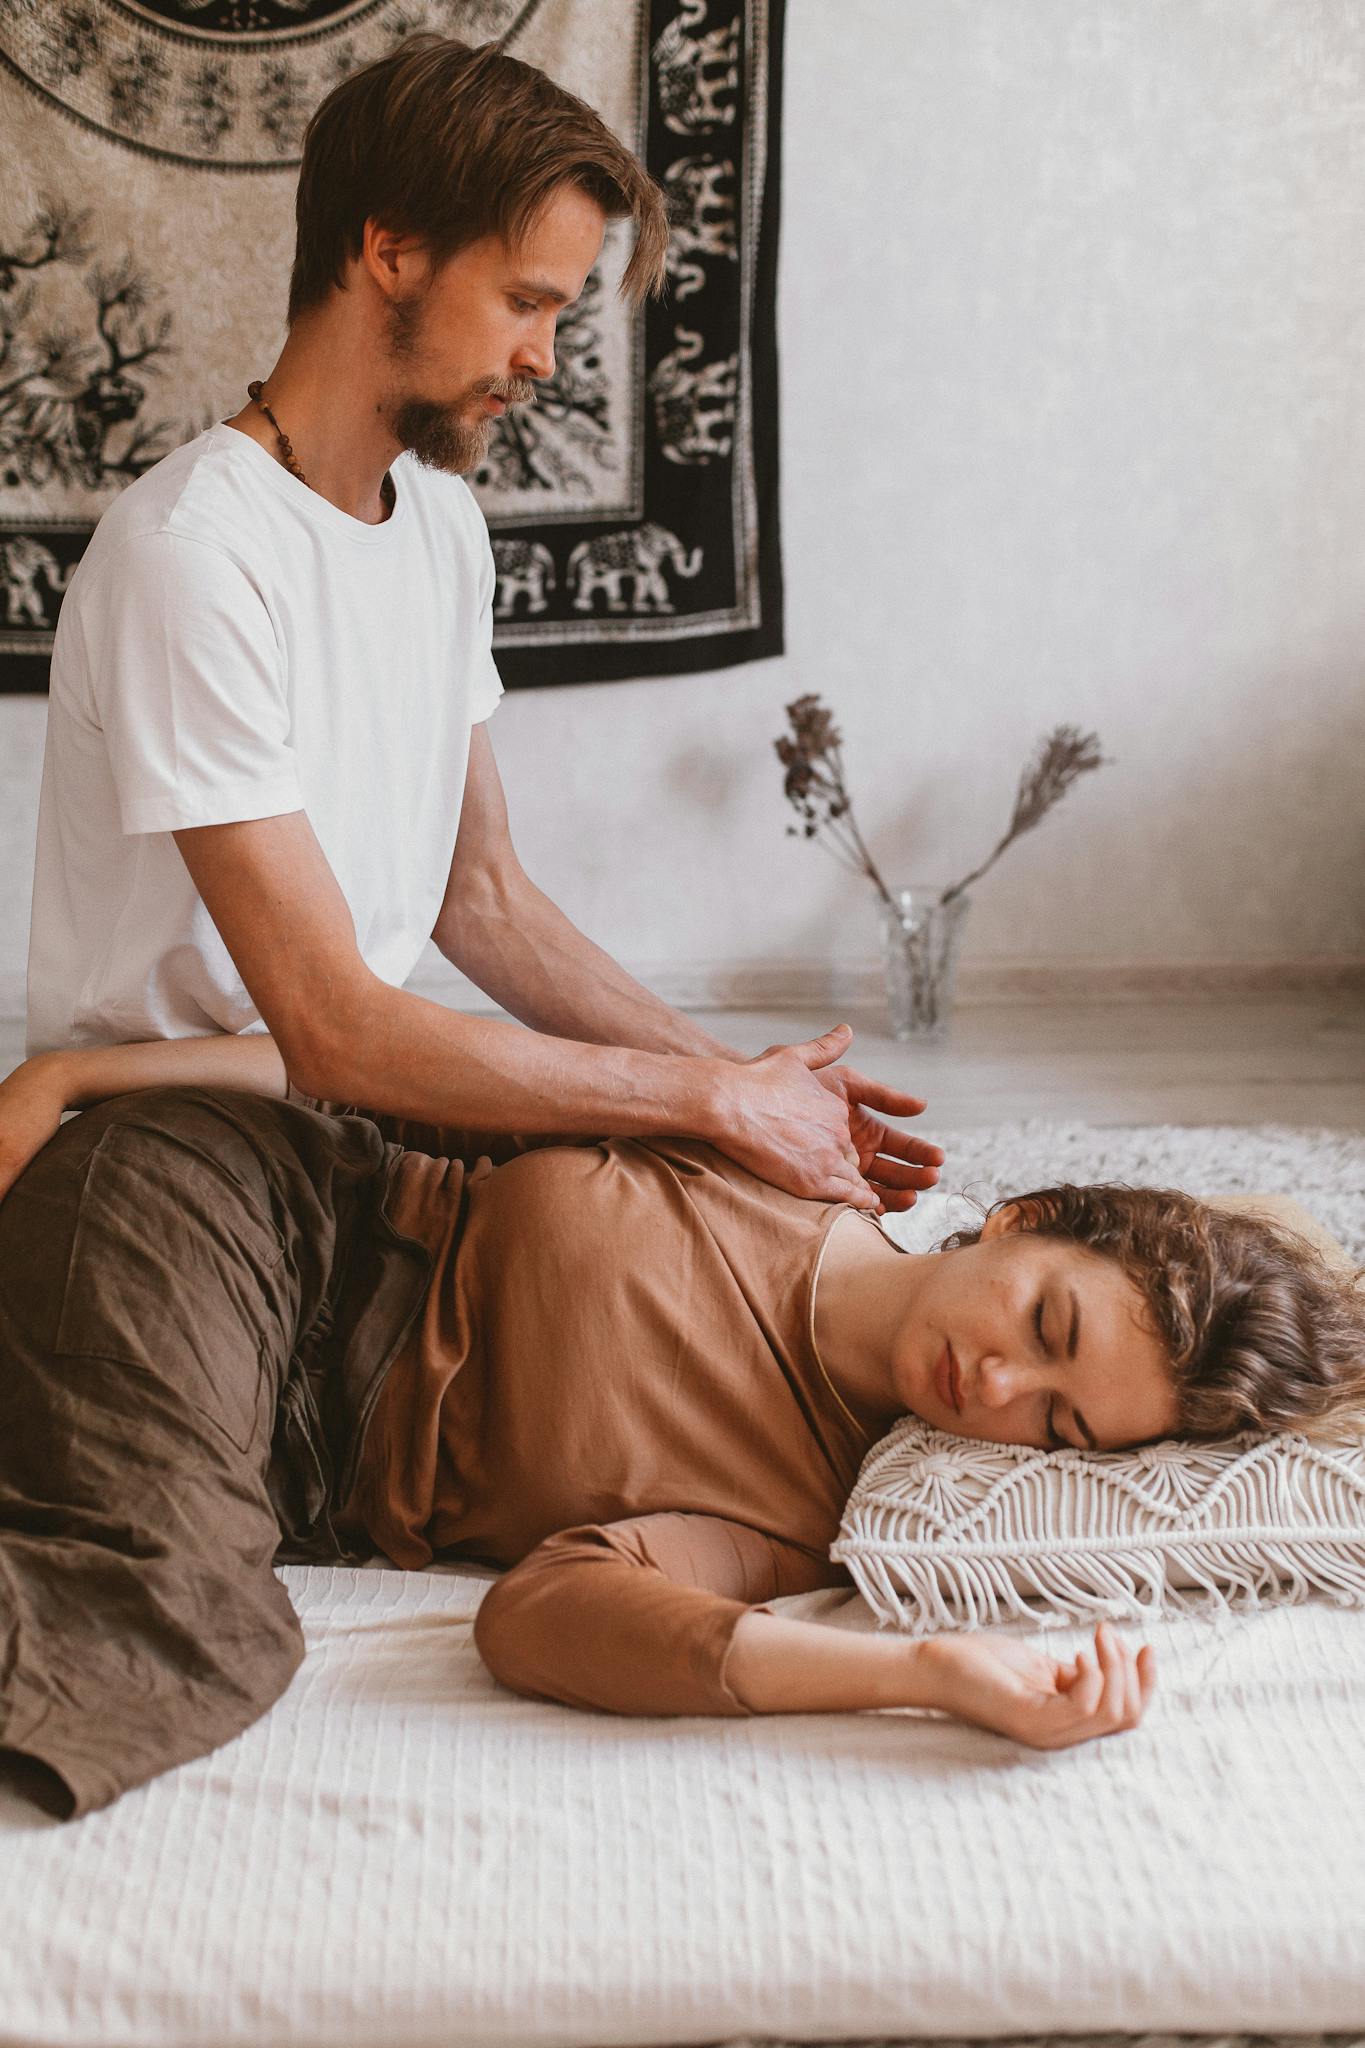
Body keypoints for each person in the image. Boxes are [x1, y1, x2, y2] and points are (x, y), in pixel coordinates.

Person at [24, 33, 940, 1221]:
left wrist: (738, 1082)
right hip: (178, 1140)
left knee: (729, 1223)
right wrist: (703, 1102)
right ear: (390, 249)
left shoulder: (443, 519)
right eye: (524, 301)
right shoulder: (191, 554)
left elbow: (484, 896)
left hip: (360, 1099)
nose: (543, 359)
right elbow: (336, 1024)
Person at [1, 1040, 1362, 1820]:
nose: (999, 1390)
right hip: (233, 1217)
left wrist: (934, 1674)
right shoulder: (765, 1152)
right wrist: (76, 1074)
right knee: (177, 1624)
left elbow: (540, 1616)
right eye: (1047, 1327)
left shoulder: (807, 1518)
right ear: (1025, 1218)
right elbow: (395, 1072)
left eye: (1057, 1428)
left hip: (259, 1456)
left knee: (181, 1586)